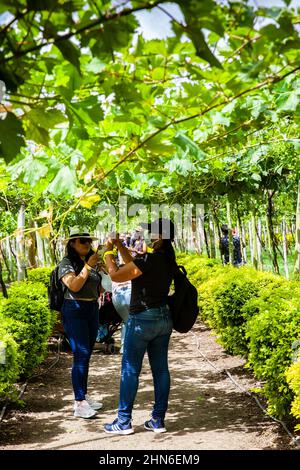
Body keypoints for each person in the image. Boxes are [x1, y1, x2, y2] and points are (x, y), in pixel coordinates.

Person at [103, 218, 176, 435]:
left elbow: (116, 275)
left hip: (142, 320)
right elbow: (134, 266)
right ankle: (158, 420)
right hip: (163, 319)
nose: (148, 236)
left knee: (130, 369)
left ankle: (123, 421)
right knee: (161, 369)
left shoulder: (150, 261)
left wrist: (107, 253)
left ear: (161, 237)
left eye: (152, 232)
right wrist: (119, 246)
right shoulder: (167, 259)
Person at [58, 226, 103, 419]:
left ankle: (83, 396)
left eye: (89, 241)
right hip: (74, 309)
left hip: (91, 309)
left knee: (87, 354)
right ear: (72, 243)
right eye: (83, 241)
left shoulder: (89, 262)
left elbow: (99, 288)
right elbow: (74, 285)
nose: (87, 244)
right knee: (81, 354)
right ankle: (79, 403)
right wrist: (89, 267)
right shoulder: (66, 263)